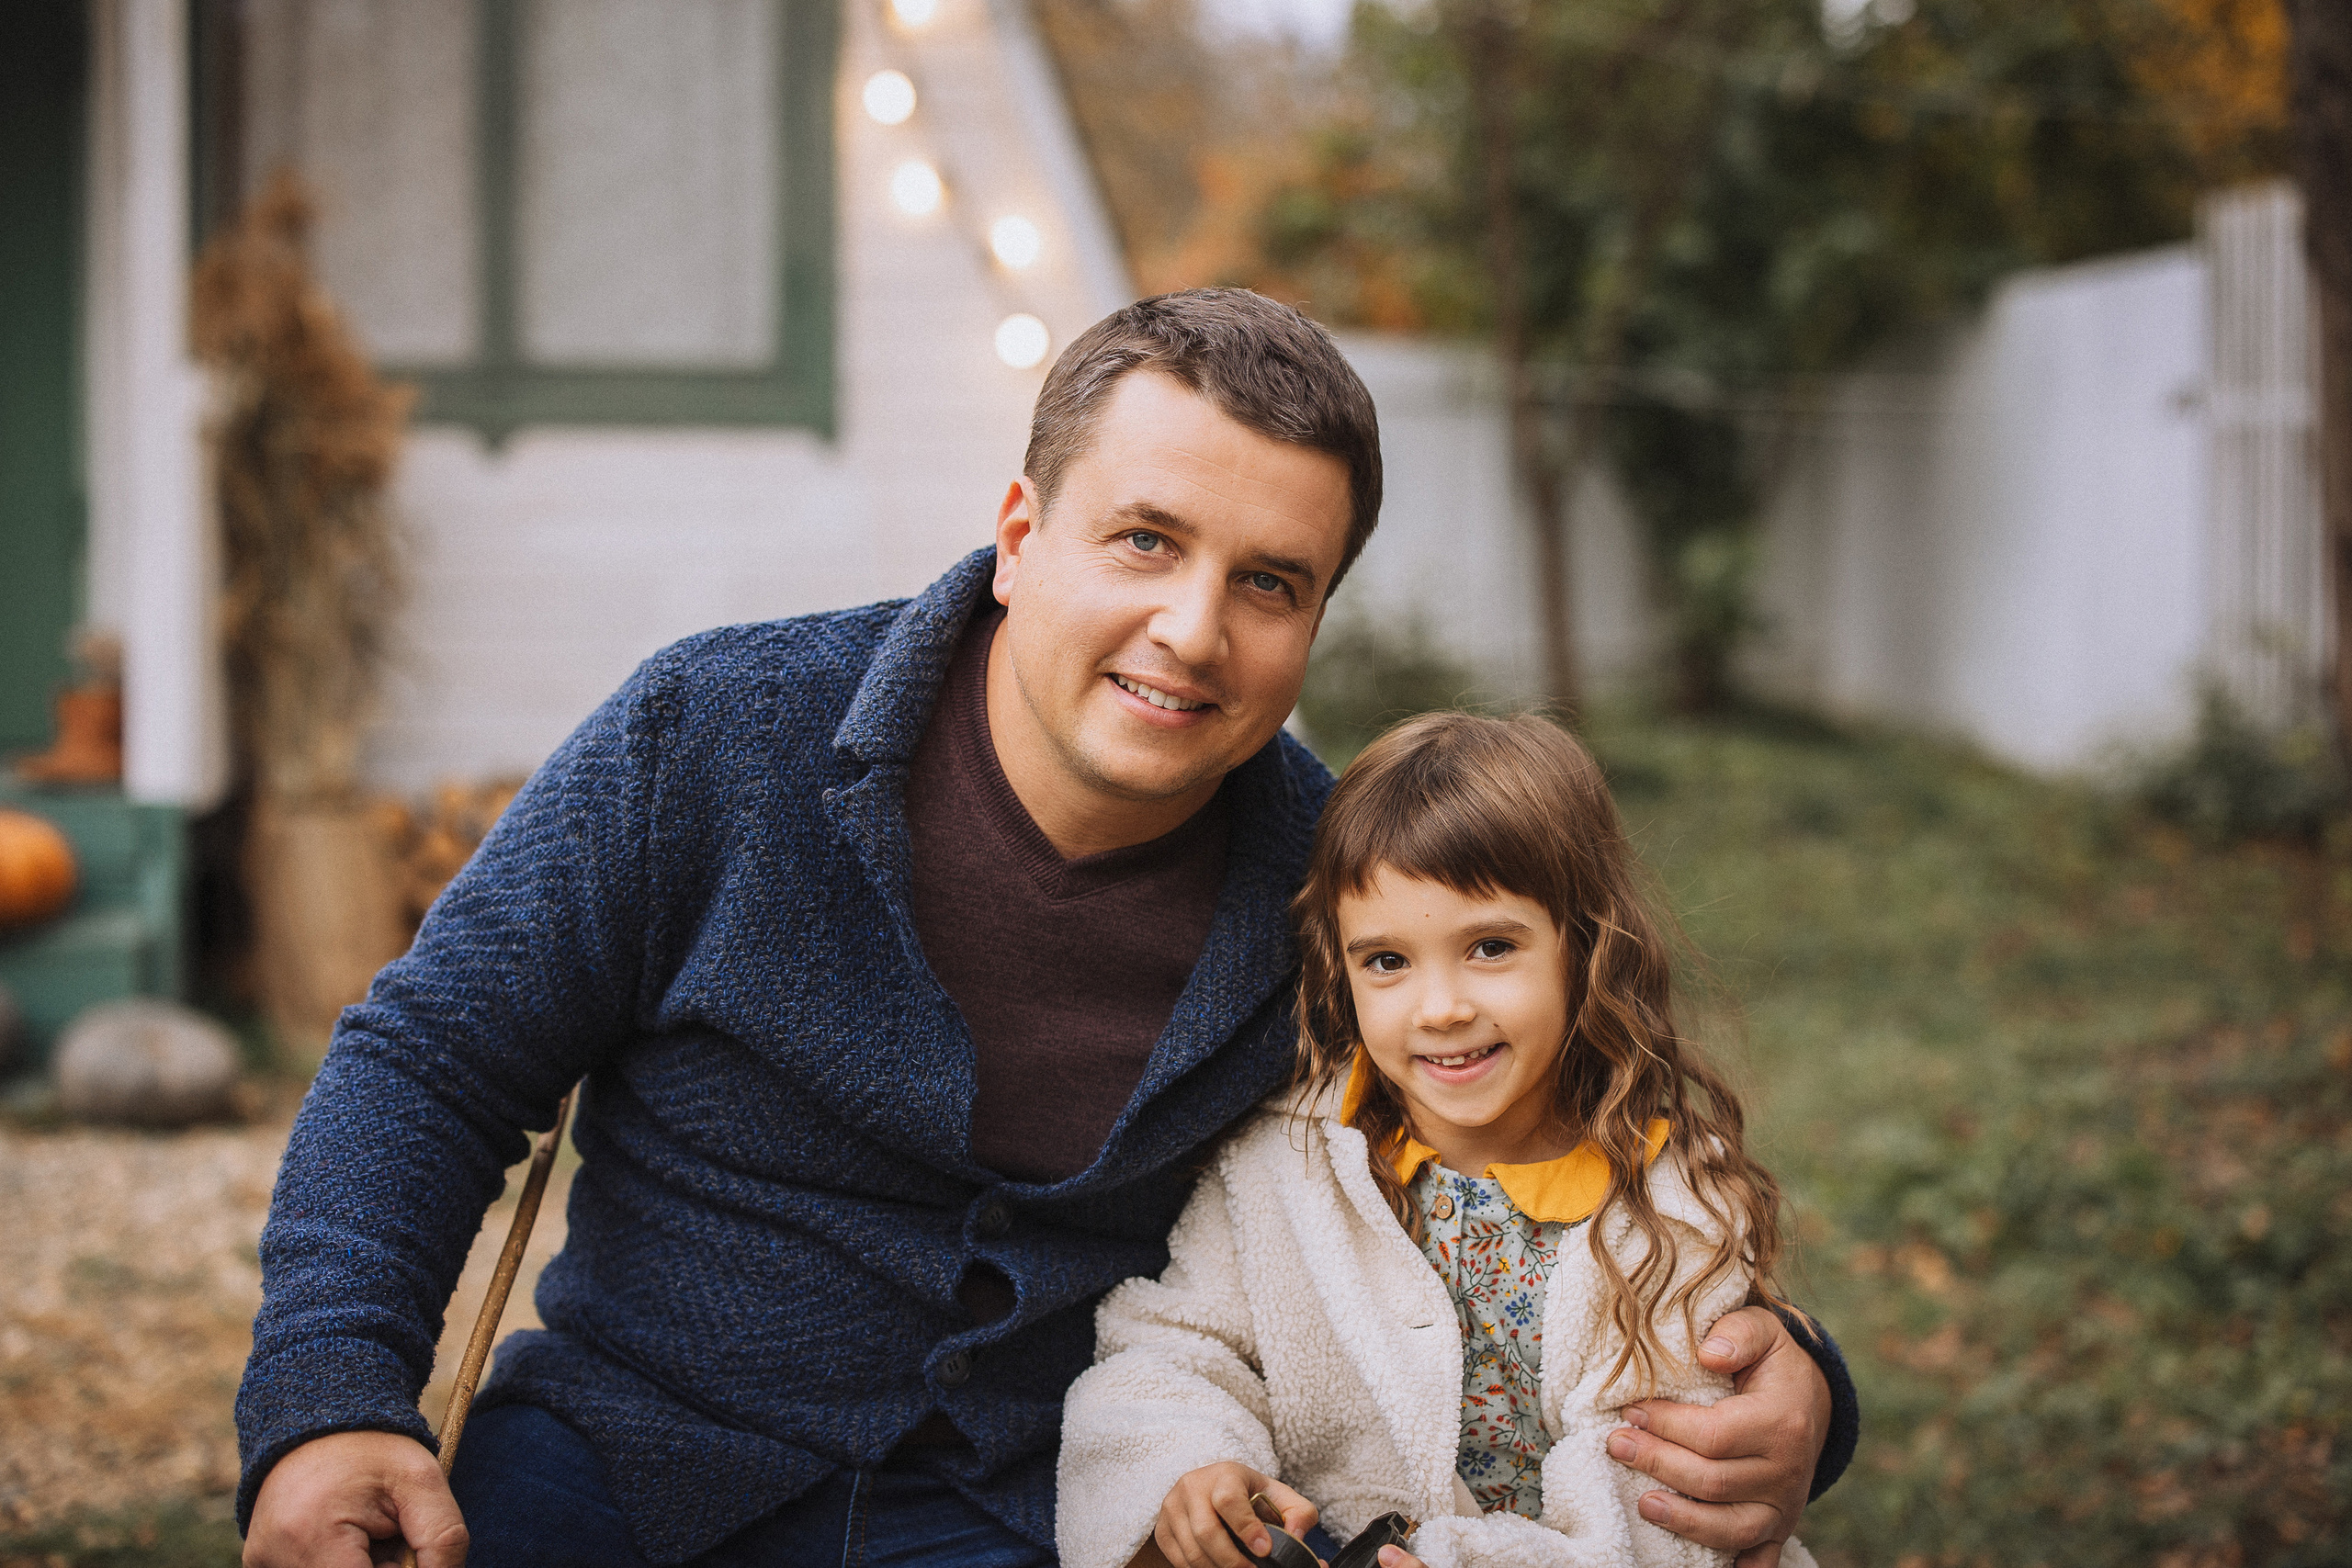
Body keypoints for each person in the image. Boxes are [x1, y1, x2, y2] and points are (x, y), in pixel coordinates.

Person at [234, 290, 1855, 1568]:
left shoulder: (1333, 887)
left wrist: (1798, 1373)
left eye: (1270, 582)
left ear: (1313, 625)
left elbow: (1546, 1138)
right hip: (629, 1466)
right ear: (1021, 535)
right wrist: (328, 1402)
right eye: (1144, 539)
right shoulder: (714, 736)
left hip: (1035, 1516)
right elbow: (429, 1062)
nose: (1192, 628)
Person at [1057, 713, 1816, 1568]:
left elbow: (1668, 1495)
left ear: (1588, 946)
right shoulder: (1288, 1163)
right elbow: (1173, 1350)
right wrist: (1187, 1465)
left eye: (1490, 946)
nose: (1439, 1006)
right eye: (1387, 960)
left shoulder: (1668, 1205)